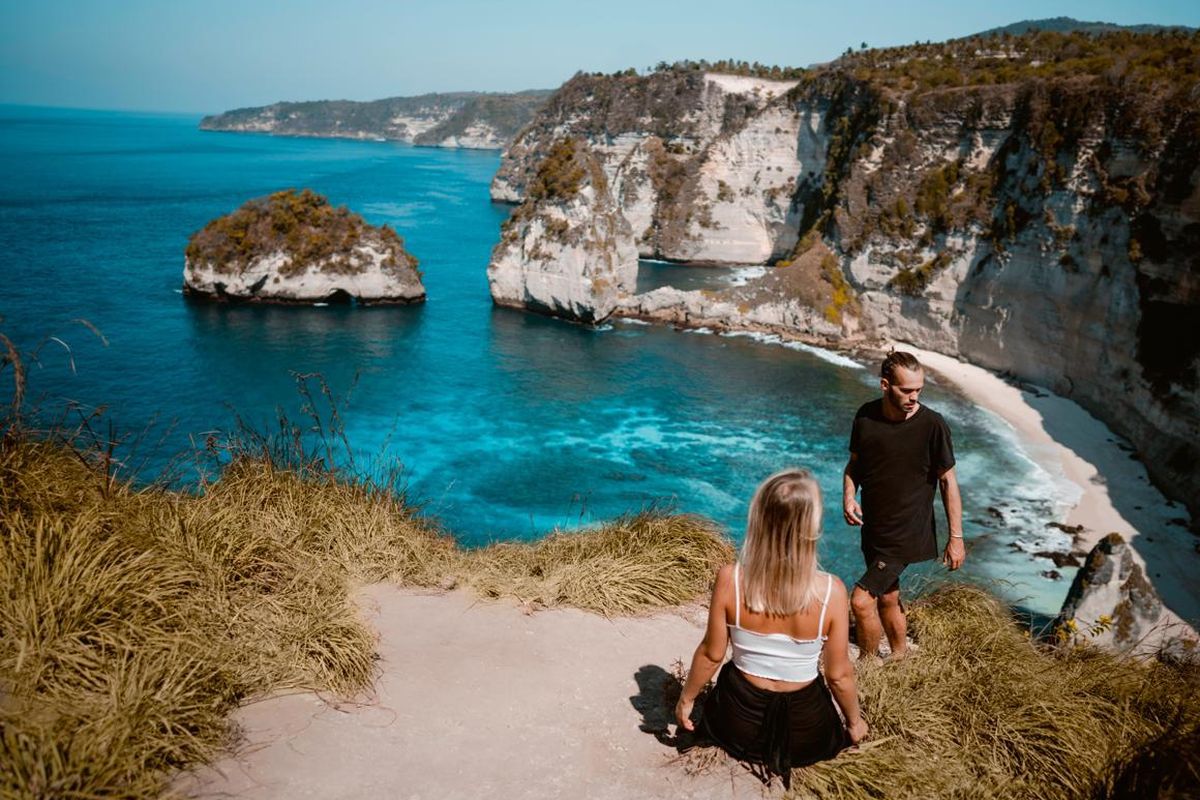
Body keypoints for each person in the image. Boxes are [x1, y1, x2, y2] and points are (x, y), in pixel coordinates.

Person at [674, 469, 867, 785]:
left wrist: (686, 700)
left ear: (758, 518)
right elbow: (839, 675)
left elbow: (712, 654)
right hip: (805, 733)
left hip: (735, 722)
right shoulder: (832, 591)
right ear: (811, 527)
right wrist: (855, 722)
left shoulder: (731, 580)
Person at [843, 350, 965, 662]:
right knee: (888, 596)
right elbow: (854, 465)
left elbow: (948, 481)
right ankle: (900, 658)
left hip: (907, 533)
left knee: (860, 601)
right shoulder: (865, 417)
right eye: (906, 390)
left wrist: (956, 538)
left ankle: (868, 665)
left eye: (918, 390)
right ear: (885, 385)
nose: (914, 397)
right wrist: (848, 495)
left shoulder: (933, 426)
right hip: (874, 528)